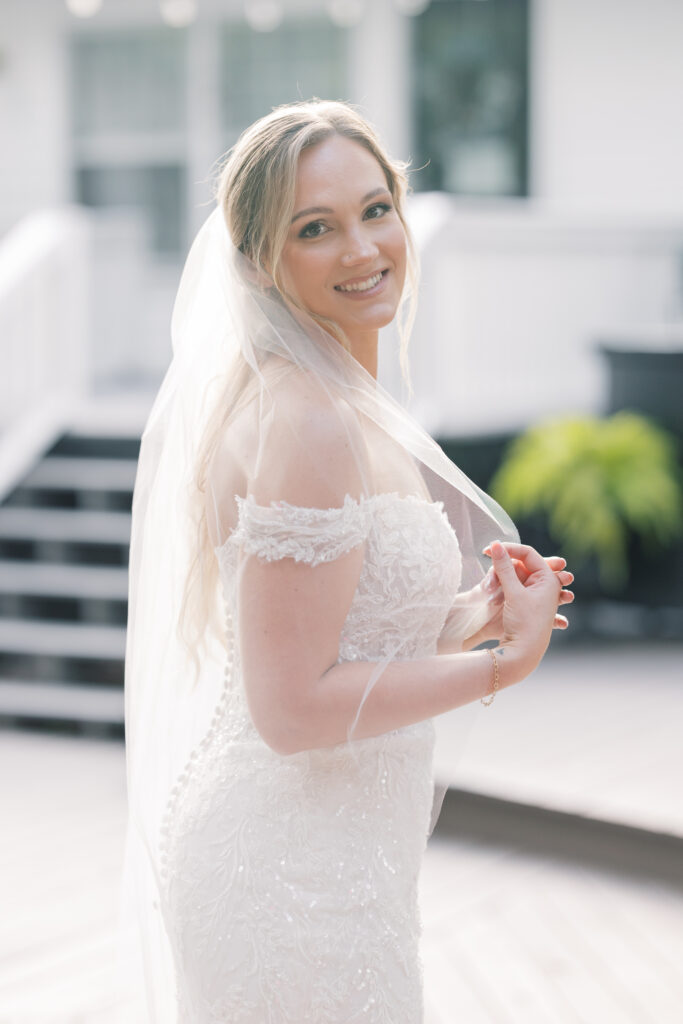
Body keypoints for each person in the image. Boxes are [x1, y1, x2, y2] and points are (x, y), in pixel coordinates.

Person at [118, 99, 573, 1023]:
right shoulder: (309, 421)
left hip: (338, 854)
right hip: (287, 869)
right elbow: (289, 711)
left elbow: (333, 632)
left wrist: (459, 619)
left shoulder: (338, 399)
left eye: (375, 209)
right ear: (259, 264)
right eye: (314, 228)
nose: (362, 249)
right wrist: (498, 667)